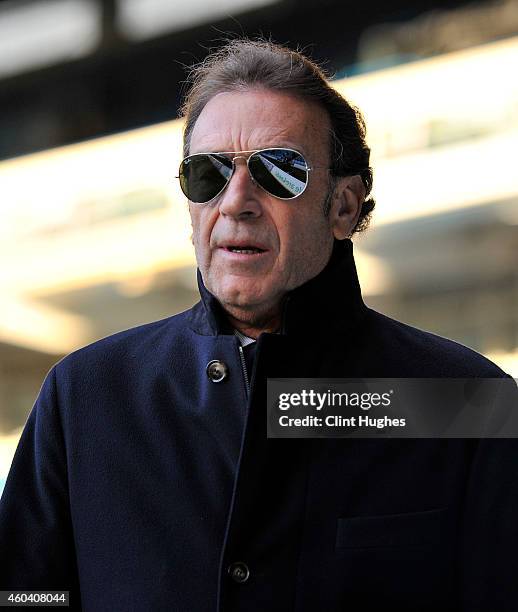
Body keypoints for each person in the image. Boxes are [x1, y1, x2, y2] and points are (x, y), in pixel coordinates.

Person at [0, 39, 517, 612]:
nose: (236, 201)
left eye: (279, 171)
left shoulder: (466, 403)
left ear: (344, 206)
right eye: (208, 173)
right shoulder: (86, 398)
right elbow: (26, 592)